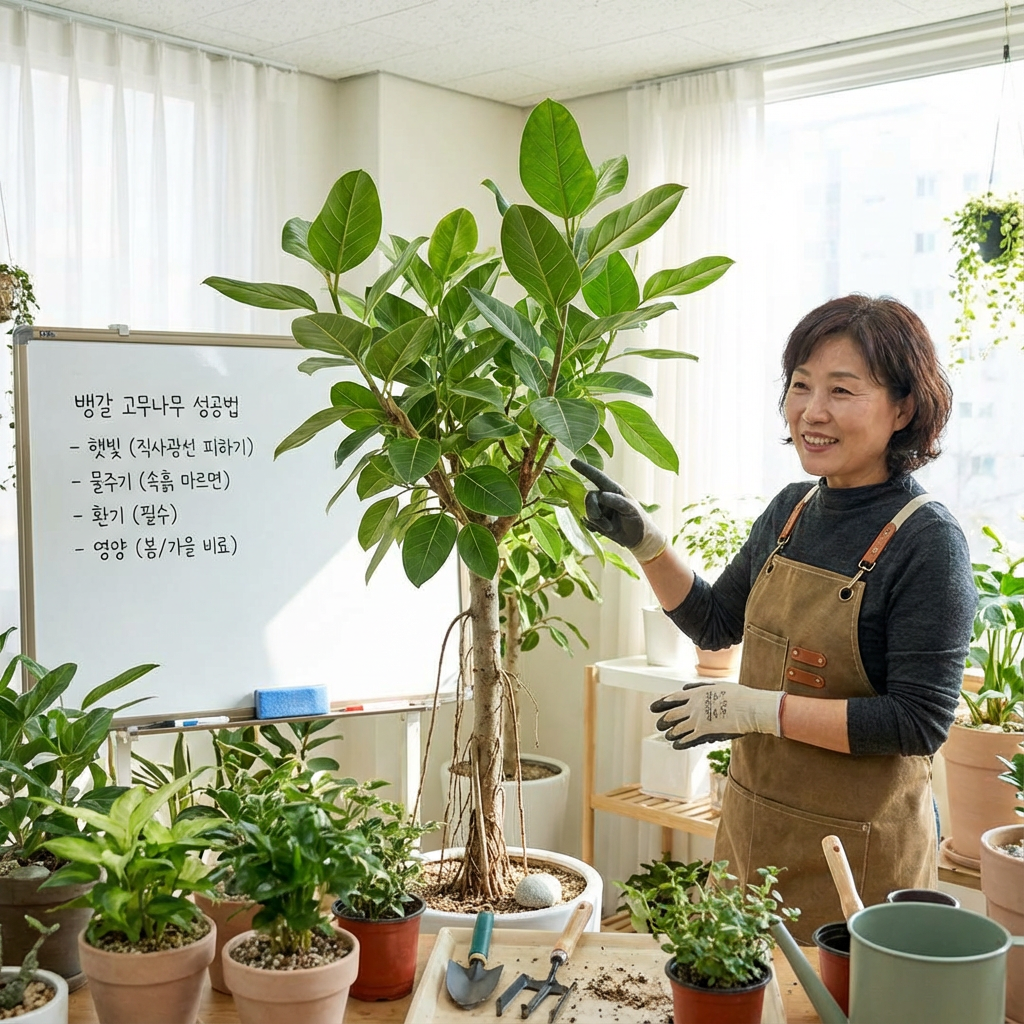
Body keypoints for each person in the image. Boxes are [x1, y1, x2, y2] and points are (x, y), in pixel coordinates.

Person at [574, 294, 976, 940]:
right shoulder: (793, 509)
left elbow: (918, 722)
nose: (812, 412)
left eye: (842, 391)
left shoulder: (928, 543)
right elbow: (715, 623)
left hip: (859, 857)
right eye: (801, 386)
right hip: (753, 831)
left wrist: (758, 710)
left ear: (903, 408)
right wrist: (647, 542)